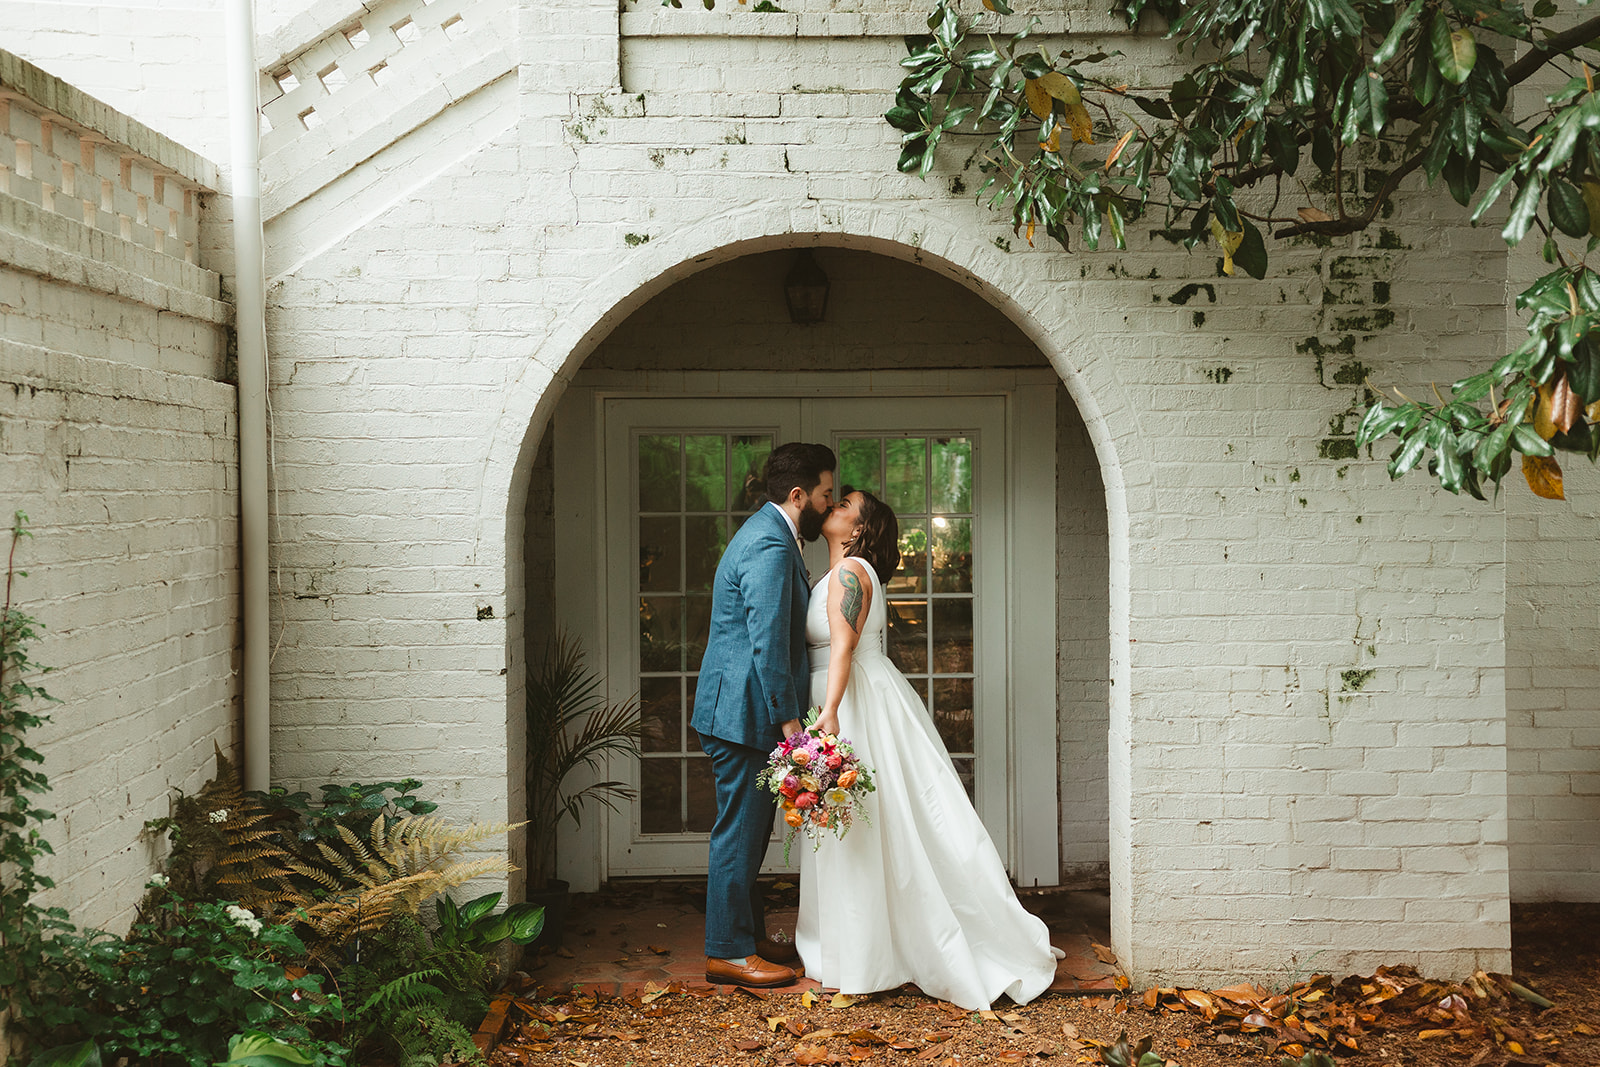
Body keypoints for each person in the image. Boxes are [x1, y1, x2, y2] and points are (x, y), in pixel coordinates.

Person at [794, 489, 1064, 1010]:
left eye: (846, 504)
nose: (836, 506)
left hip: (851, 702)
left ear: (858, 530)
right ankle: (856, 948)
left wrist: (827, 715)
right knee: (861, 823)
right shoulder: (841, 572)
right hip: (850, 694)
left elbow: (843, 647)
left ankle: (866, 961)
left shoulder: (852, 574)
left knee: (863, 823)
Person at [692, 441, 837, 988]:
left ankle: (745, 934)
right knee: (740, 833)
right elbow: (769, 643)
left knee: (748, 834)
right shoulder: (771, 547)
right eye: (827, 494)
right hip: (745, 713)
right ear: (799, 496)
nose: (831, 503)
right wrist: (791, 726)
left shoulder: (767, 532)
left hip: (741, 708)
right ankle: (727, 952)